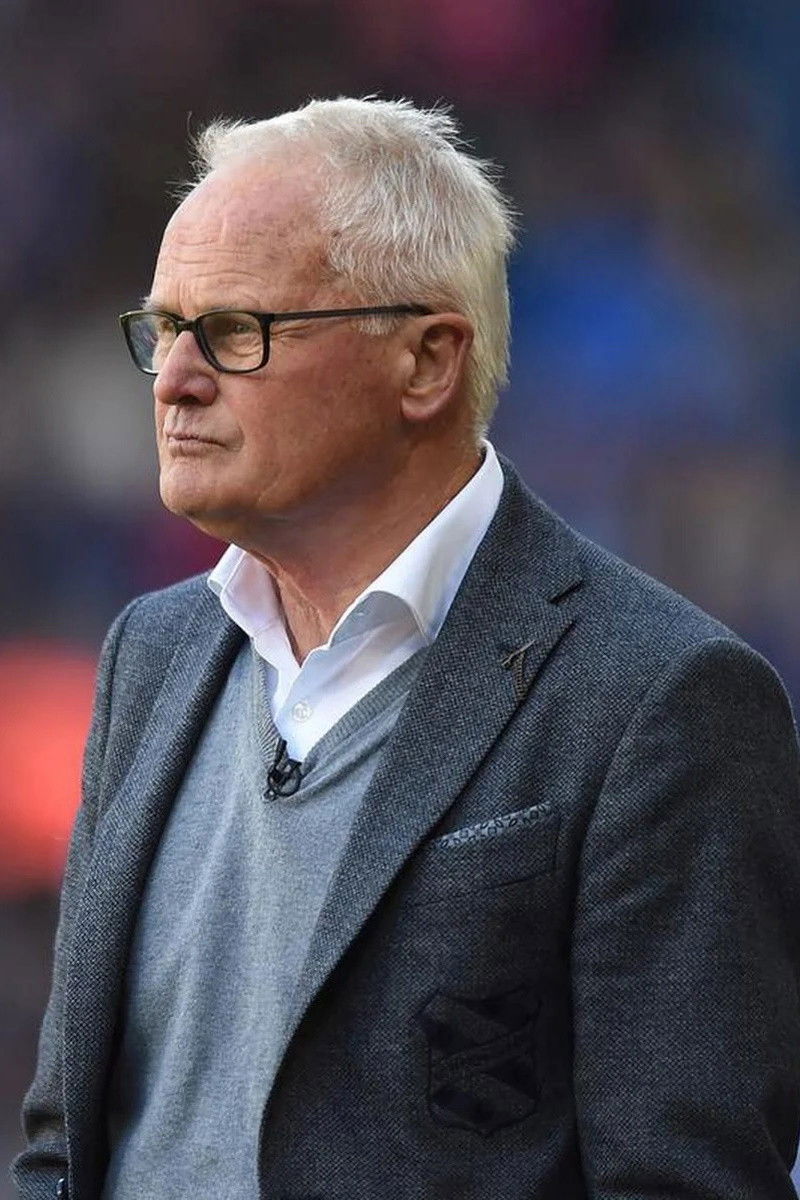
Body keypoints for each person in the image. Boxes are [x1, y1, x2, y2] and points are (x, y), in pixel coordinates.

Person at [12, 97, 800, 1200]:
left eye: (235, 331)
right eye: (163, 329)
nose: (175, 378)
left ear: (427, 361)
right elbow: (64, 1146)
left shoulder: (662, 699)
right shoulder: (151, 653)